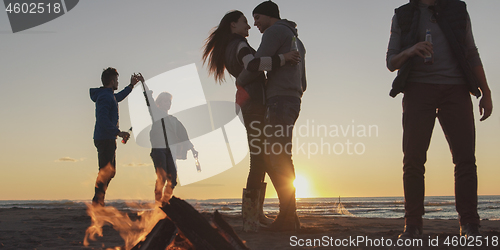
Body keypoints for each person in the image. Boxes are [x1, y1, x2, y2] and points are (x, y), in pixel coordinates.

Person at [386, 0, 493, 239]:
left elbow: (471, 52)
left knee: (465, 160)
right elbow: (391, 62)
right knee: (413, 161)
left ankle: (469, 225)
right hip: (417, 91)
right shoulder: (402, 15)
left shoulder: (457, 9)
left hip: (456, 89)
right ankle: (412, 225)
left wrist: (485, 92)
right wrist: (411, 50)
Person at [202, 10, 299, 232]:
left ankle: (256, 216)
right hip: (254, 105)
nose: (248, 26)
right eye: (244, 22)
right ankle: (254, 218)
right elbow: (253, 66)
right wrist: (284, 58)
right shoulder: (239, 45)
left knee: (261, 159)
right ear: (232, 26)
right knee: (259, 160)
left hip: (249, 104)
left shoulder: (230, 46)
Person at [237, 0, 307, 232]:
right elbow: (303, 82)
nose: (255, 23)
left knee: (276, 157)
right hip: (293, 100)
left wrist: (240, 81)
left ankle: (288, 216)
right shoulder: (297, 41)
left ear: (269, 16)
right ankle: (290, 217)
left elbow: (256, 65)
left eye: (257, 18)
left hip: (278, 101)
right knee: (280, 155)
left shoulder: (274, 32)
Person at [89, 67, 140, 207]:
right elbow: (102, 119)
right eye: (116, 80)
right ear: (112, 81)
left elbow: (118, 97)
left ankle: (99, 200)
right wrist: (118, 132)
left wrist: (131, 86)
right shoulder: (105, 96)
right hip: (105, 138)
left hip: (107, 138)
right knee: (105, 172)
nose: (118, 82)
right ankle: (97, 203)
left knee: (110, 172)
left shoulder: (109, 95)